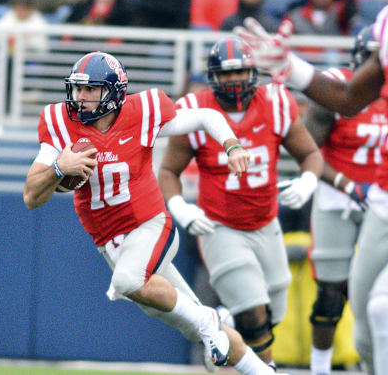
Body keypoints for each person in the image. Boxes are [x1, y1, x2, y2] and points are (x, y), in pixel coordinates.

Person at [24, 51, 281, 375]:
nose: (82, 97)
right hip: (111, 242)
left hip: (150, 224)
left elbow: (204, 117)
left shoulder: (142, 111)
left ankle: (211, 320)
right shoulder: (60, 123)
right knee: (197, 329)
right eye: (78, 89)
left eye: (92, 90)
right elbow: (31, 196)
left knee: (131, 282)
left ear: (115, 93)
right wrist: (60, 167)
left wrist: (231, 144)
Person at [235, 5, 388, 375]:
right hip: (376, 199)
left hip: (374, 196)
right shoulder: (385, 26)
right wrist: (291, 68)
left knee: (382, 309)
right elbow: (349, 97)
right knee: (367, 321)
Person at [158, 37, 323, 366]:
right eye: (225, 75)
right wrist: (179, 207)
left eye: (240, 73)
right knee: (253, 311)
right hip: (220, 226)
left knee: (272, 313)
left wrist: (308, 180)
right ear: (212, 78)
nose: (233, 81)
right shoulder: (195, 108)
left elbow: (310, 154)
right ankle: (266, 369)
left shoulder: (276, 102)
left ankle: (227, 325)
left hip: (266, 221)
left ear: (254, 72)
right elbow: (168, 170)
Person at [302, 25, 387, 375]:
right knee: (331, 293)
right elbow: (304, 149)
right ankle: (320, 368)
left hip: (381, 200)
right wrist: (344, 181)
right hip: (338, 197)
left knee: (377, 298)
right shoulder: (340, 90)